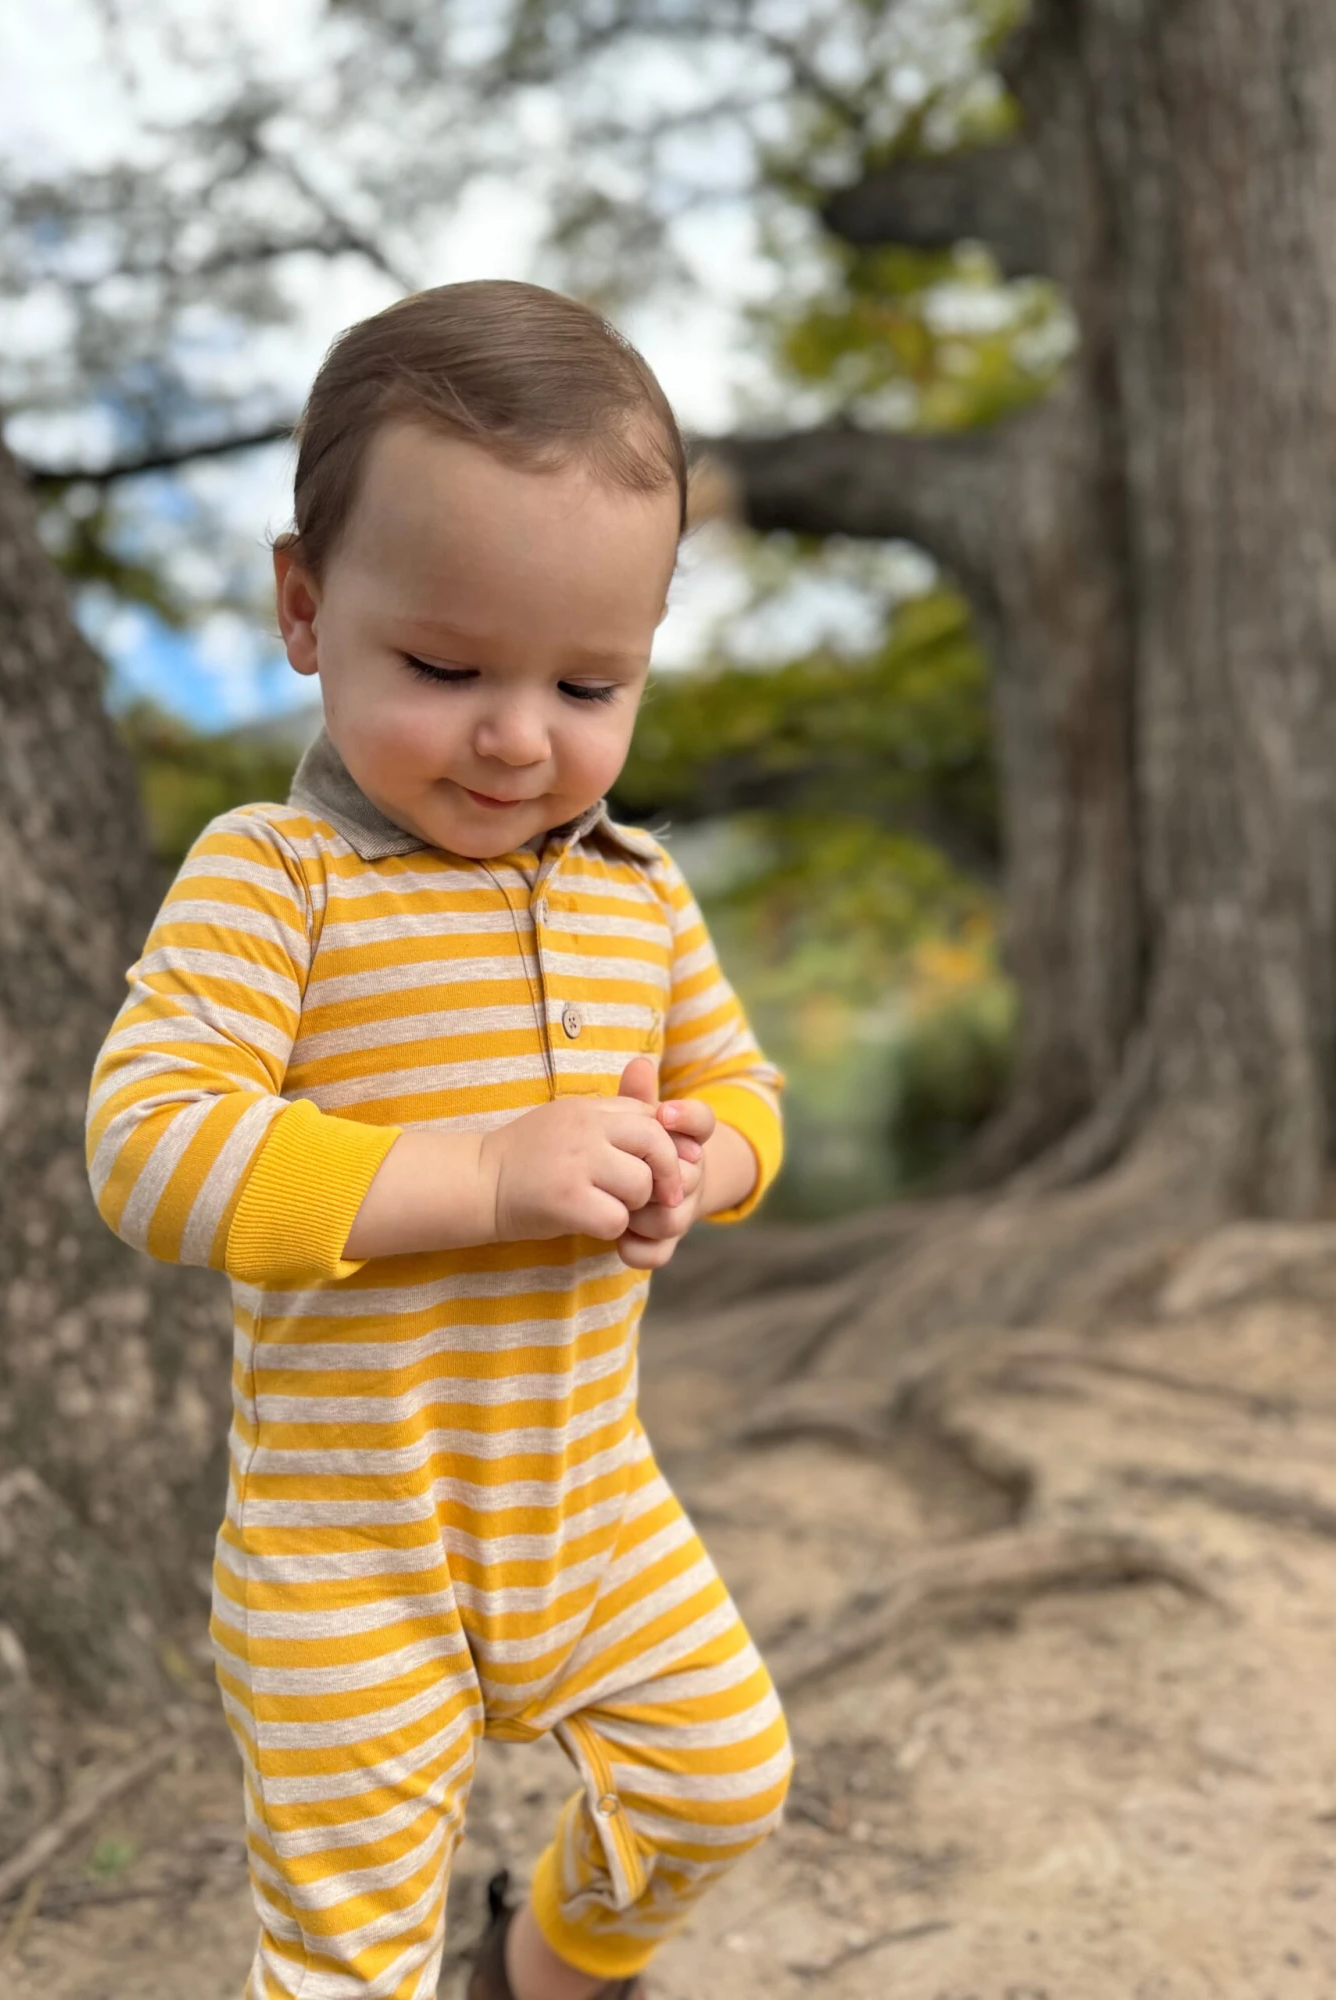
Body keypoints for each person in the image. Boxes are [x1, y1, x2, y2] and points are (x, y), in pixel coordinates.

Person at [86, 279, 791, 2000]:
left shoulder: (642, 890)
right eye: (449, 666)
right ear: (309, 608)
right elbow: (151, 1146)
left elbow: (744, 1090)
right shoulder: (280, 878)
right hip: (351, 1548)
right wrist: (479, 1174)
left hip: (587, 1501)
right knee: (343, 1955)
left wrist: (706, 1162)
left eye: (589, 682)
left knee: (719, 1776)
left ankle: (540, 1975)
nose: (520, 734)